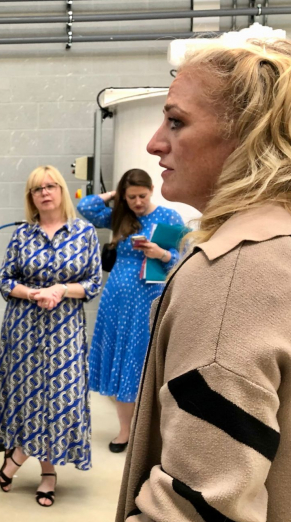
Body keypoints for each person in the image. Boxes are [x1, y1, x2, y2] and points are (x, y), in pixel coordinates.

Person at [117, 39, 291, 522]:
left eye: (176, 122)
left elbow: (195, 508)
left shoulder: (234, 274)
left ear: (252, 137)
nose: (154, 143)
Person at [0, 165, 103, 507]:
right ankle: (48, 473)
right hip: (23, 330)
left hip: (65, 330)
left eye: (51, 186)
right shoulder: (22, 235)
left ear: (61, 191)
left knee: (62, 398)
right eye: (37, 189)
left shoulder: (84, 234)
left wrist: (60, 290)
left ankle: (18, 456)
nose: (44, 192)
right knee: (29, 398)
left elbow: (93, 282)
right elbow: (5, 280)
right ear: (31, 197)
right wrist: (31, 294)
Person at [77, 169, 184, 453]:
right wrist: (114, 194)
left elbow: (181, 258)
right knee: (123, 361)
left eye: (142, 195)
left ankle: (150, 432)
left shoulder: (169, 218)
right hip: (117, 298)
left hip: (150, 295)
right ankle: (125, 430)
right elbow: (85, 206)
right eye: (131, 196)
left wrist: (159, 253)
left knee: (143, 361)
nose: (138, 201)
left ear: (152, 189)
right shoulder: (121, 216)